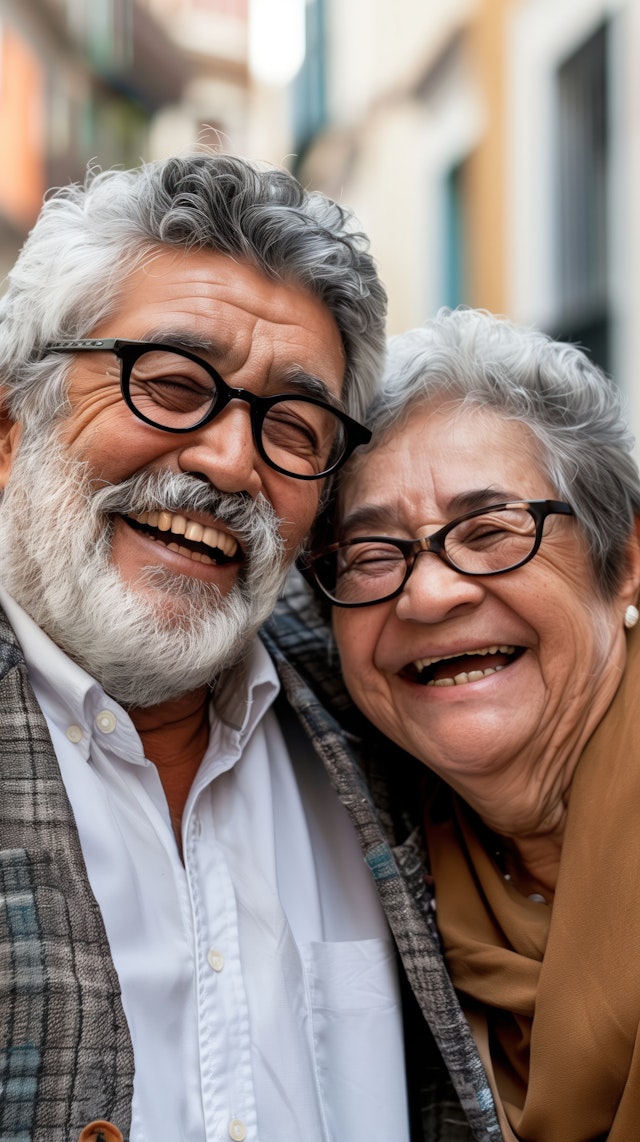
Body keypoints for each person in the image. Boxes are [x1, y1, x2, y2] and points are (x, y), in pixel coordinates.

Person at [0, 152, 450, 1142]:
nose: (228, 459)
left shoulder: (383, 721)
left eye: (293, 426)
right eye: (168, 384)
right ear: (12, 423)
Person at [302, 306, 640, 1142]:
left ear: (625, 565)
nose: (428, 594)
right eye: (374, 553)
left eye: (491, 531)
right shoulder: (392, 855)